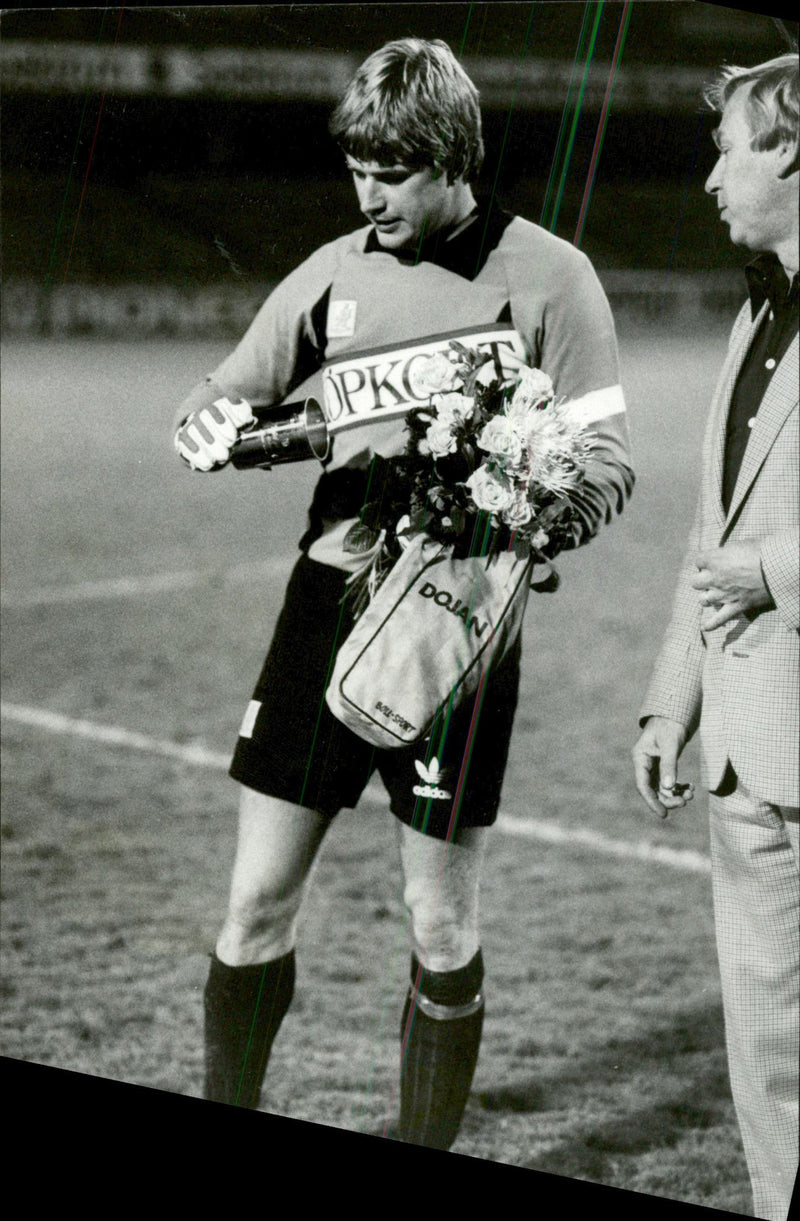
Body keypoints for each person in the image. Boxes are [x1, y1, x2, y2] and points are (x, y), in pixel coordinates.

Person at [175, 37, 633, 1151]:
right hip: (324, 612)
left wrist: (537, 511)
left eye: (391, 171)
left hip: (457, 627)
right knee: (252, 906)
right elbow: (223, 393)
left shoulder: (551, 275)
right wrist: (210, 424)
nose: (367, 193)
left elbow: (606, 459)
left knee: (437, 918)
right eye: (356, 169)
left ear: (449, 158)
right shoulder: (331, 273)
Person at [632, 53, 799, 1221]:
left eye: (726, 148)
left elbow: (751, 556)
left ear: (792, 151)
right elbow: (711, 527)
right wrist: (668, 701)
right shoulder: (754, 314)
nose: (706, 179)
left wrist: (776, 574)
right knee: (768, 1063)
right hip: (747, 755)